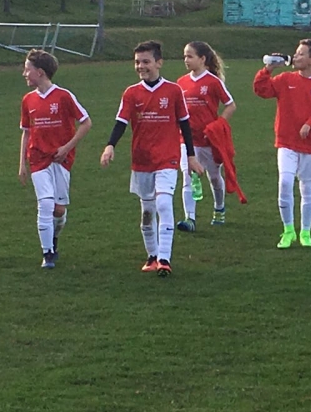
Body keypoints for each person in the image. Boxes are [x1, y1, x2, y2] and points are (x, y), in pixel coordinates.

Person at [100, 41, 204, 275]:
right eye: (137, 62)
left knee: (164, 204)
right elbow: (120, 123)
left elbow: (185, 125)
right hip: (142, 161)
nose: (140, 66)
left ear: (159, 63)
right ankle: (152, 256)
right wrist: (110, 146)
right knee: (147, 212)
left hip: (167, 158)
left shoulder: (173, 91)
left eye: (146, 61)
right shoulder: (131, 93)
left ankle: (165, 259)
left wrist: (191, 156)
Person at [253, 39, 311, 249]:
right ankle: (288, 230)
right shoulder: (285, 79)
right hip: (286, 142)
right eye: (296, 53)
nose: (296, 57)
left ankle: (306, 232)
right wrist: (267, 70)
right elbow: (261, 90)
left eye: (301, 54)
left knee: (307, 188)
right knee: (285, 182)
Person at [18, 49, 92, 269]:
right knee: (45, 203)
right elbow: (27, 132)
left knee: (58, 210)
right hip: (37, 158)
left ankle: (54, 238)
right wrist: (22, 164)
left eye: (27, 69)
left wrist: (67, 148)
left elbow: (86, 123)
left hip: (61, 160)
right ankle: (47, 253)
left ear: (40, 72)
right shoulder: (28, 100)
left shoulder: (63, 96)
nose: (24, 73)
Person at [175, 41, 236, 232]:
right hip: (187, 139)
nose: (186, 60)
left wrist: (219, 124)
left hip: (209, 140)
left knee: (214, 177)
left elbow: (230, 105)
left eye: (190, 56)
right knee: (187, 176)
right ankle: (190, 218)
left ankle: (219, 208)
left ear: (202, 59)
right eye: (184, 56)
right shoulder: (181, 82)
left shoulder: (213, 82)